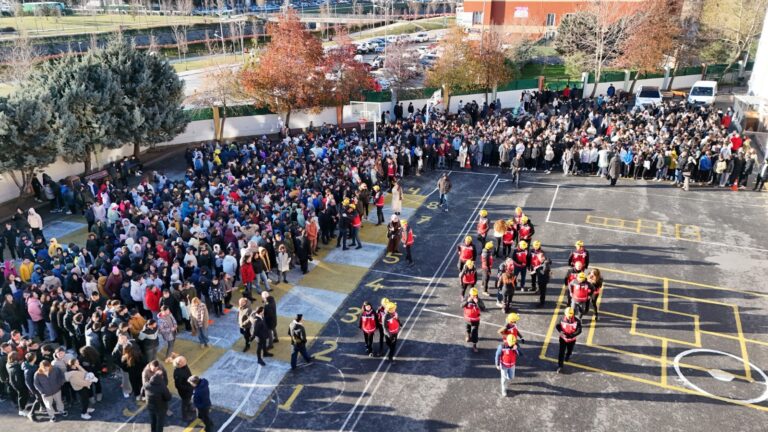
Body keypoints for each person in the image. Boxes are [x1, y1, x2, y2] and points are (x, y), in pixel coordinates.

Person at [555, 307, 582, 373]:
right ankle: (560, 366)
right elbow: (557, 325)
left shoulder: (577, 321)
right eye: (568, 316)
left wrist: (571, 335)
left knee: (570, 350)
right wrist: (561, 331)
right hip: (563, 339)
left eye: (571, 316)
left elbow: (579, 330)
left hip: (572, 339)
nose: (569, 317)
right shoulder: (561, 319)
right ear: (565, 314)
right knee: (561, 352)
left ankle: (568, 355)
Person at [462, 288, 486, 353]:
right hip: (467, 319)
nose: (473, 296)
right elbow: (461, 305)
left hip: (475, 320)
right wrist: (467, 301)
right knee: (467, 329)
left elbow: (483, 309)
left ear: (477, 295)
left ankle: (474, 345)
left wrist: (477, 302)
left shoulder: (479, 300)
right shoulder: (466, 298)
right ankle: (468, 335)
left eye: (475, 295)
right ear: (469, 294)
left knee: (475, 333)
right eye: (472, 295)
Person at [529, 241, 552, 307]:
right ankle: (542, 301)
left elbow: (543, 271)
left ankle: (542, 303)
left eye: (539, 258)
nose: (538, 259)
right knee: (542, 292)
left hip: (543, 280)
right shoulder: (543, 263)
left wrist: (536, 269)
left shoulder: (544, 264)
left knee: (542, 292)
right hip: (541, 278)